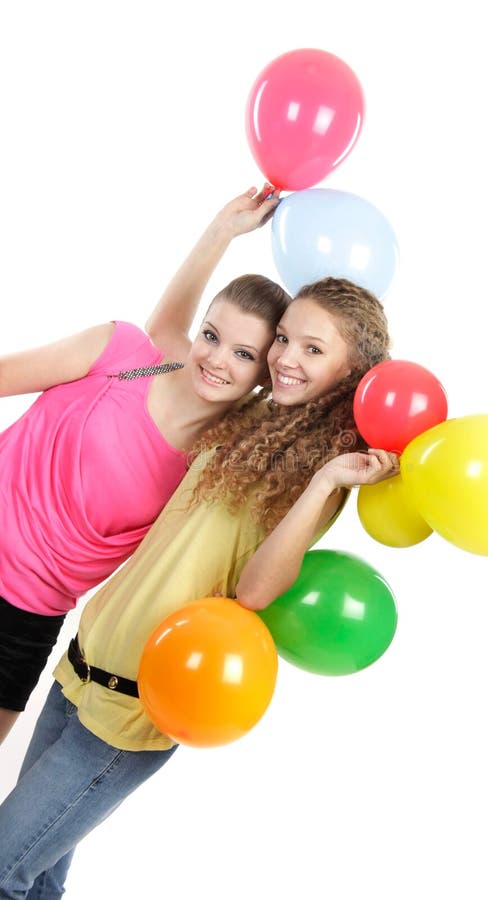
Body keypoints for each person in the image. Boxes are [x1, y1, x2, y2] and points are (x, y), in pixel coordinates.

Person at [0, 276, 397, 899]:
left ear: (354, 369)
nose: (287, 358)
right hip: (82, 665)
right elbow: (169, 348)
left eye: (313, 350)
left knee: (4, 868)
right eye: (284, 339)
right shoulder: (246, 417)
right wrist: (221, 232)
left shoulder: (322, 472)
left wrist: (323, 484)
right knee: (37, 876)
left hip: (142, 701)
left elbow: (259, 592)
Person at [0, 185, 289, 743]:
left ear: (265, 376)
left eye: (244, 354)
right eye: (212, 336)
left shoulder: (213, 465)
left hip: (26, 621)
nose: (216, 360)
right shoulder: (128, 355)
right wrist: (221, 232)